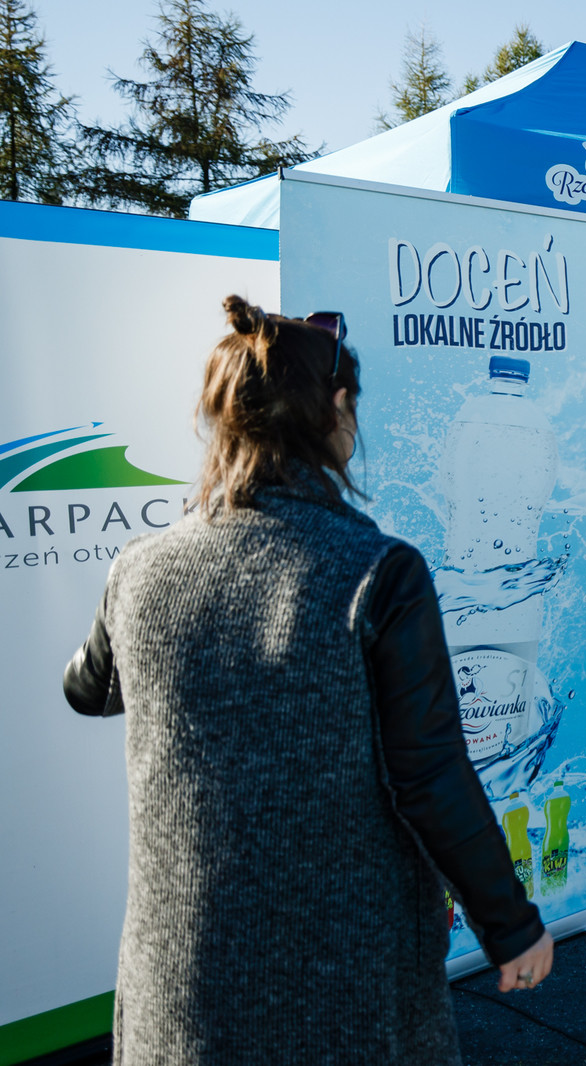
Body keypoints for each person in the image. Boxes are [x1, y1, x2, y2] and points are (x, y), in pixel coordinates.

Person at [62, 297, 552, 1065]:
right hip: (345, 988)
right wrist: (510, 924)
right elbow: (429, 776)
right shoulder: (378, 572)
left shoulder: (140, 568)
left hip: (181, 985)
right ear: (339, 409)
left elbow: (87, 689)